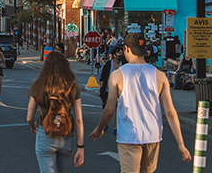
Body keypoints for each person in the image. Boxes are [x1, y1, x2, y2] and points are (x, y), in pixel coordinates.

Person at [89, 33, 192, 172]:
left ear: (127, 49)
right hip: (153, 136)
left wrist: (100, 129)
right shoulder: (160, 75)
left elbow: (109, 110)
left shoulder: (117, 75)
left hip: (129, 135)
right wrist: (181, 143)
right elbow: (170, 112)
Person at [26, 51, 84, 172]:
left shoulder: (38, 86)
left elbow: (29, 117)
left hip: (45, 133)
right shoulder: (72, 87)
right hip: (66, 135)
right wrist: (81, 147)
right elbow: (78, 119)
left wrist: (33, 127)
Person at [99, 45, 125, 134]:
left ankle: (117, 127)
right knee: (108, 109)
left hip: (120, 91)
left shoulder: (124, 65)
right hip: (108, 90)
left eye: (121, 52)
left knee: (118, 109)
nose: (119, 54)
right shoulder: (107, 65)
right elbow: (102, 78)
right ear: (114, 54)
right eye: (118, 52)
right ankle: (105, 123)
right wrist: (102, 89)